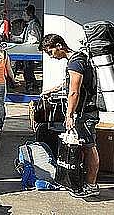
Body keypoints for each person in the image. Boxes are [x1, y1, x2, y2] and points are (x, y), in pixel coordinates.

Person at [40, 34, 100, 198]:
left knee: (89, 147)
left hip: (84, 113)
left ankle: (91, 186)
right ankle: (84, 182)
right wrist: (52, 90)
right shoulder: (76, 59)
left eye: (51, 51)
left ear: (59, 45)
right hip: (83, 112)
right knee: (84, 147)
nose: (51, 56)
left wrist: (69, 115)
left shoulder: (75, 61)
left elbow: (74, 91)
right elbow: (69, 84)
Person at [14, 4, 43, 92]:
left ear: (30, 14)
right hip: (26, 49)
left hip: (29, 50)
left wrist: (26, 44)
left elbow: (36, 38)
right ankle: (31, 84)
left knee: (28, 69)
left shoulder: (34, 25)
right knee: (26, 69)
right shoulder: (29, 24)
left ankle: (31, 85)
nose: (23, 17)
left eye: (24, 14)